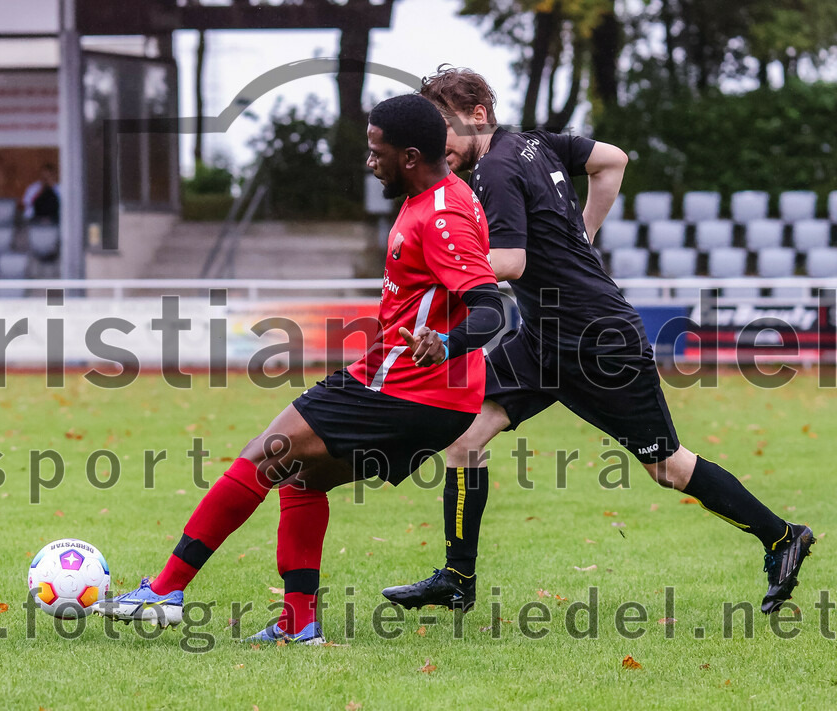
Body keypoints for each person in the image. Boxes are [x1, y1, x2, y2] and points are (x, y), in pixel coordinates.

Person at [381, 66, 813, 616]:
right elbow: (612, 161)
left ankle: (782, 537)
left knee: (668, 466)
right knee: (468, 436)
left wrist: (438, 264)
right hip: (544, 335)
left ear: (478, 115)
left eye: (440, 126)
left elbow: (510, 262)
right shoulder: (535, 142)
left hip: (596, 340)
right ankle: (457, 579)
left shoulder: (493, 168)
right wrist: (582, 233)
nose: (434, 142)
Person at [94, 94, 506, 644]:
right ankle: (299, 623)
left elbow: (492, 308)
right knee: (301, 478)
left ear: (410, 156)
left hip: (405, 388)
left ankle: (166, 590)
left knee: (267, 453)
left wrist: (444, 344)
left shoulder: (443, 213)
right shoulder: (442, 195)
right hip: (427, 395)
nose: (369, 160)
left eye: (376, 150)